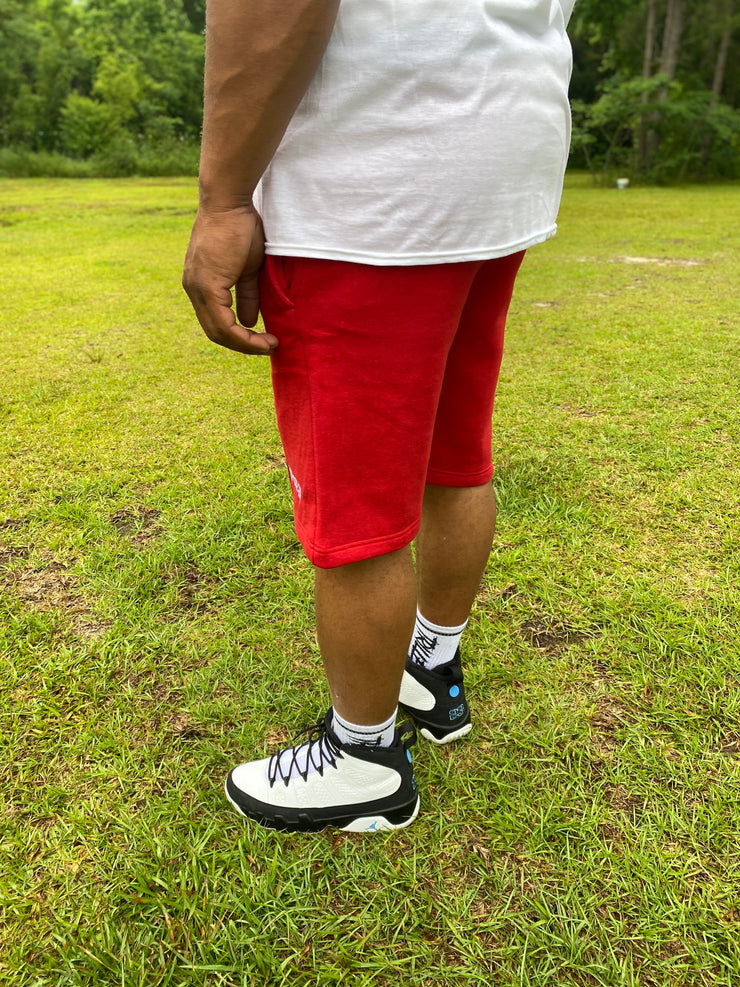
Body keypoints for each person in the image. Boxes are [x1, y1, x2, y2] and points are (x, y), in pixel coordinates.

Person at [183, 0, 575, 833]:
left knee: (357, 500)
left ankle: (364, 757)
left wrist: (223, 200)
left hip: (374, 173)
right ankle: (431, 669)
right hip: (504, 149)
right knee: (454, 450)